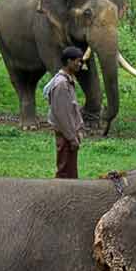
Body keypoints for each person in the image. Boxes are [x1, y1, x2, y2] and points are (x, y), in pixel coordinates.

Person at [44, 46, 85, 179]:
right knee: (64, 171)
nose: (80, 64)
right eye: (78, 61)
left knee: (70, 170)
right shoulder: (61, 84)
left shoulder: (68, 80)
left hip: (70, 133)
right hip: (66, 134)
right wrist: (72, 137)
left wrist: (78, 129)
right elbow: (62, 116)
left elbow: (72, 109)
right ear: (68, 61)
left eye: (81, 62)